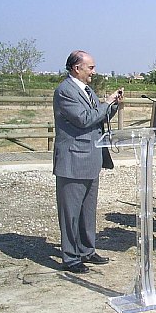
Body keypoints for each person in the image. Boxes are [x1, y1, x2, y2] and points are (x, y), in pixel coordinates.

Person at [53, 50, 124, 273]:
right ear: (77, 68)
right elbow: (84, 119)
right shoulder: (65, 91)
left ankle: (86, 249)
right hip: (73, 160)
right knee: (71, 212)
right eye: (90, 67)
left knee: (87, 211)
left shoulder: (87, 90)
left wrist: (111, 107)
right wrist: (107, 103)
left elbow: (97, 118)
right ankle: (71, 257)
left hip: (91, 159)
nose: (94, 71)